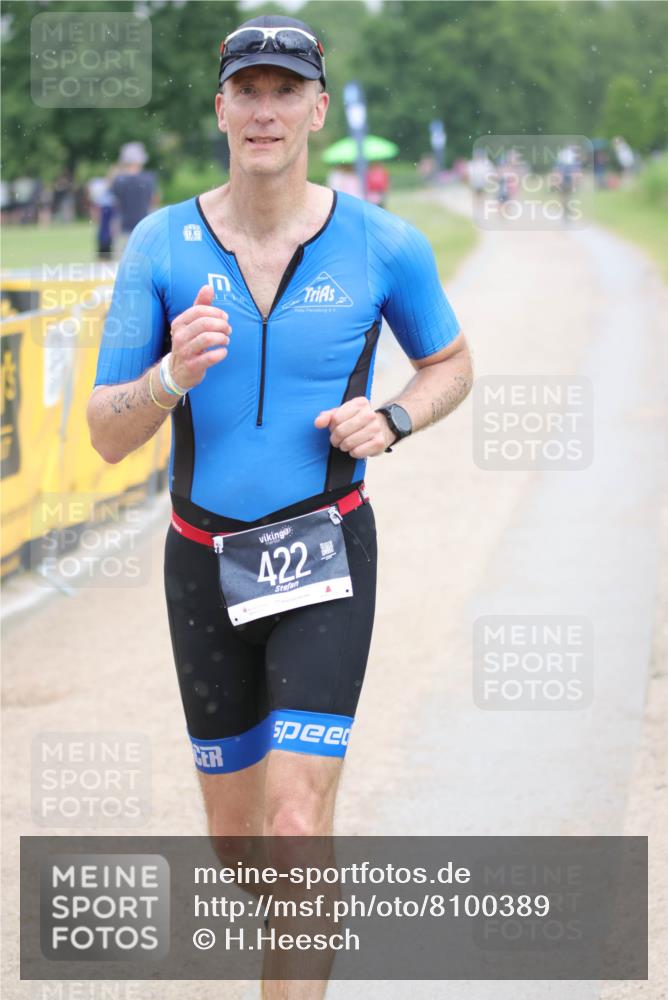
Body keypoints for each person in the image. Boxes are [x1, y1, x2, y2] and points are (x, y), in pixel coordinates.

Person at [87, 13, 472, 996]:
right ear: (220, 107)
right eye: (246, 91)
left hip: (323, 550)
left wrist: (393, 416)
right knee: (239, 842)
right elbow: (103, 430)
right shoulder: (159, 247)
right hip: (199, 561)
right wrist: (169, 377)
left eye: (284, 90)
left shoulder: (383, 244)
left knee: (296, 822)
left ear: (317, 108)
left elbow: (450, 362)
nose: (265, 111)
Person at [110, 141, 158, 258]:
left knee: (121, 265)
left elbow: (113, 200)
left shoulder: (119, 180)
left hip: (123, 227)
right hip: (144, 227)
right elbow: (154, 200)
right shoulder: (149, 179)